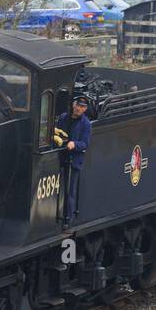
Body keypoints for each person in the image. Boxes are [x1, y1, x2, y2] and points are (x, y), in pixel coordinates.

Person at [54, 94, 92, 224]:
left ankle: (67, 219)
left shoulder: (86, 124)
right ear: (73, 105)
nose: (78, 108)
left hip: (74, 160)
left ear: (85, 109)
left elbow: (85, 143)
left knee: (70, 191)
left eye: (82, 107)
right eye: (77, 105)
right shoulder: (64, 117)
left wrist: (74, 144)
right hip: (60, 157)